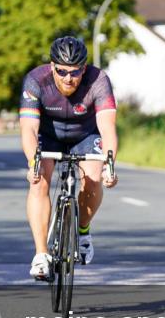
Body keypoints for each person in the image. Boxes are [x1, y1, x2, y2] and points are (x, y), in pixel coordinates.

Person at [19, 36, 118, 280]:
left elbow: (107, 129)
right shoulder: (35, 81)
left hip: (85, 135)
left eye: (74, 72)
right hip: (48, 135)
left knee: (93, 177)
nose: (68, 78)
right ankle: (41, 254)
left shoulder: (99, 81)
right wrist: (33, 163)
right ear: (52, 66)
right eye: (61, 71)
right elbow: (29, 129)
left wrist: (110, 165)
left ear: (84, 69)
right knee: (39, 179)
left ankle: (83, 231)